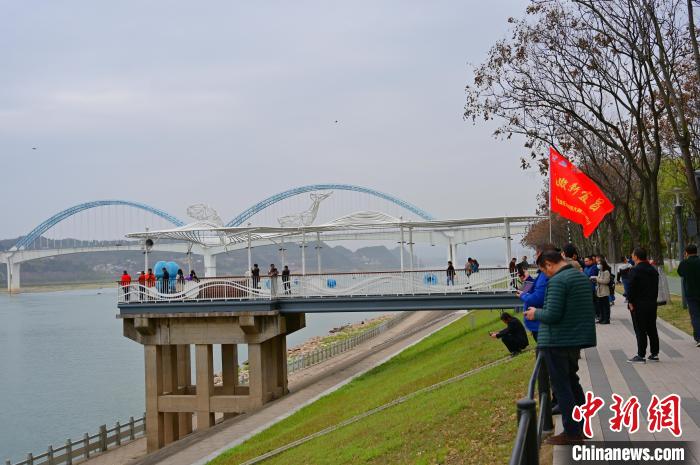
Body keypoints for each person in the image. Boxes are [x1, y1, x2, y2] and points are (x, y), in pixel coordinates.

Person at [524, 249, 596, 445]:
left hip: (557, 340)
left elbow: (553, 314)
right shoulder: (579, 276)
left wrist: (535, 313)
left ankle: (571, 432)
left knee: (562, 386)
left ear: (549, 264)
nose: (545, 275)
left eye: (543, 270)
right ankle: (580, 426)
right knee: (573, 382)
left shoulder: (558, 280)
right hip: (574, 339)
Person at [626, 247, 660, 363]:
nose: (631, 256)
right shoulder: (653, 270)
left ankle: (641, 355)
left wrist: (630, 302)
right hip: (651, 303)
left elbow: (630, 288)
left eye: (632, 255)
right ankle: (654, 354)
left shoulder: (635, 270)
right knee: (652, 328)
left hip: (638, 305)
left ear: (636, 256)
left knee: (640, 329)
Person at [678, 244, 700, 346]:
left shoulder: (684, 263)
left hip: (690, 293)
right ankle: (697, 337)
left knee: (695, 316)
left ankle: (698, 337)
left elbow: (680, 273)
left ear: (686, 253)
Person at [592, 256, 612, 324]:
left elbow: (606, 281)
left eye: (599, 264)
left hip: (604, 291)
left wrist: (597, 279)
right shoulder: (600, 271)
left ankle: (606, 319)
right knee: (600, 306)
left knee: (605, 306)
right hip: (599, 291)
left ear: (603, 264)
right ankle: (601, 318)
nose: (598, 265)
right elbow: (599, 279)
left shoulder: (606, 272)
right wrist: (595, 278)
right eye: (597, 263)